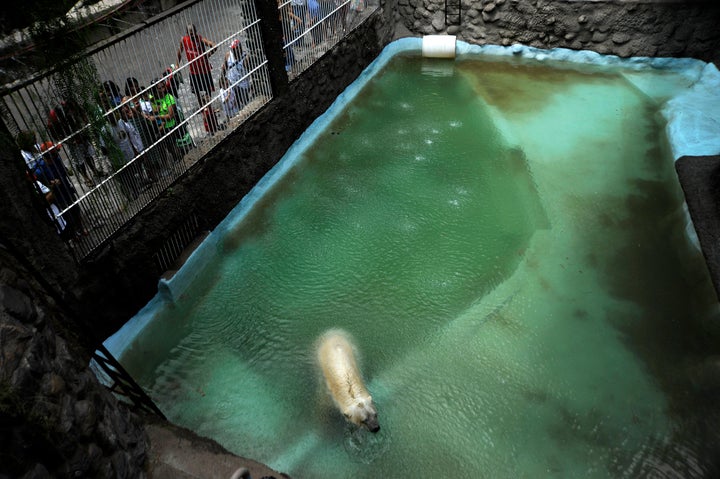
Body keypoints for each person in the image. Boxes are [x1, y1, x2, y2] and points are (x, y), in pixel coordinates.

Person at [34, 141, 87, 237]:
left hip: (67, 190)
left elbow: (65, 171)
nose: (58, 152)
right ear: (49, 155)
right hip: (57, 196)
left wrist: (67, 171)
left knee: (75, 209)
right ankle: (73, 234)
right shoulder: (40, 170)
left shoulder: (57, 160)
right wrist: (52, 185)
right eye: (56, 151)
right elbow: (41, 189)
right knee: (66, 215)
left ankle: (81, 228)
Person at [176, 23, 217, 107]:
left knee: (207, 89)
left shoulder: (200, 38)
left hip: (204, 69)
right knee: (196, 90)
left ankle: (209, 106)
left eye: (193, 33)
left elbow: (214, 46)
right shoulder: (184, 40)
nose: (192, 36)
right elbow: (180, 52)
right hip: (193, 71)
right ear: (187, 33)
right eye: (190, 34)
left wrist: (207, 55)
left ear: (195, 32)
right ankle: (202, 106)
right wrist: (177, 65)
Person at [220, 39, 252, 109]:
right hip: (231, 83)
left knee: (244, 104)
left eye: (234, 49)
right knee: (232, 105)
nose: (233, 51)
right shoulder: (228, 55)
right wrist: (222, 80)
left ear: (239, 49)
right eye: (232, 49)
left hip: (243, 86)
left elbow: (251, 71)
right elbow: (224, 68)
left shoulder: (245, 58)